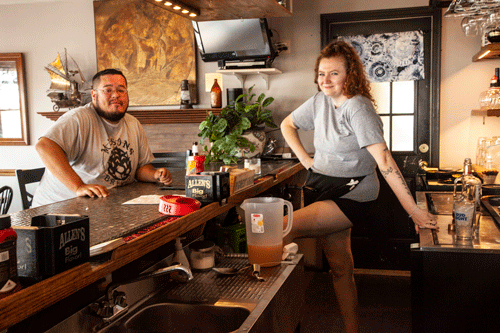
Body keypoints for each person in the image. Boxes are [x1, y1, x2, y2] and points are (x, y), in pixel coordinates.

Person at [280, 40, 438, 333]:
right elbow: (287, 125)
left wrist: (413, 211)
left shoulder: (359, 108)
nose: (325, 80)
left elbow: (385, 161)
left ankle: (275, 323)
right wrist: (304, 159)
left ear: (350, 74)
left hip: (352, 193)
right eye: (321, 73)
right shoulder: (319, 101)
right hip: (320, 186)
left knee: (278, 229)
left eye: (334, 74)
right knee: (341, 269)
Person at [32, 68, 172, 207]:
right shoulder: (79, 118)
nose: (115, 95)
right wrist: (79, 186)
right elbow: (44, 146)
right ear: (94, 95)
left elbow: (140, 168)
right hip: (59, 210)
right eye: (108, 90)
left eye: (121, 90)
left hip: (106, 204)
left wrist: (154, 174)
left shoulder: (133, 124)